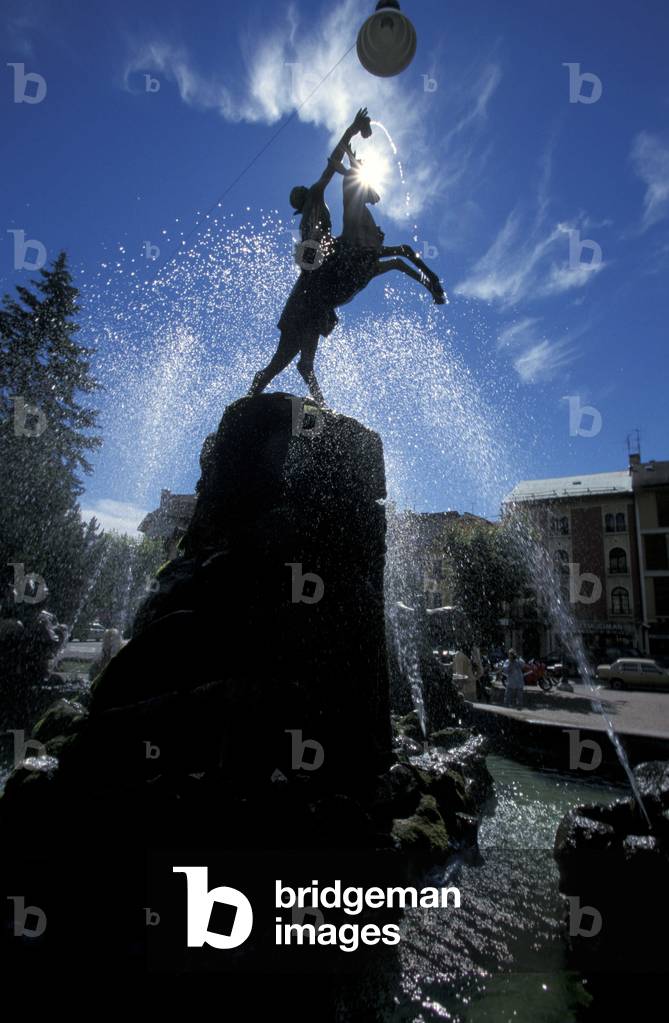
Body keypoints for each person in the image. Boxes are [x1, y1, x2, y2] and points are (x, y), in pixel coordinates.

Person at [248, 108, 372, 406]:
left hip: (308, 281)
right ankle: (276, 388)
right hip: (316, 279)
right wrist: (352, 130)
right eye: (305, 189)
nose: (310, 187)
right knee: (293, 353)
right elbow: (332, 163)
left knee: (288, 355)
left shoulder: (305, 217)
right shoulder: (316, 196)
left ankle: (261, 386)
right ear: (306, 194)